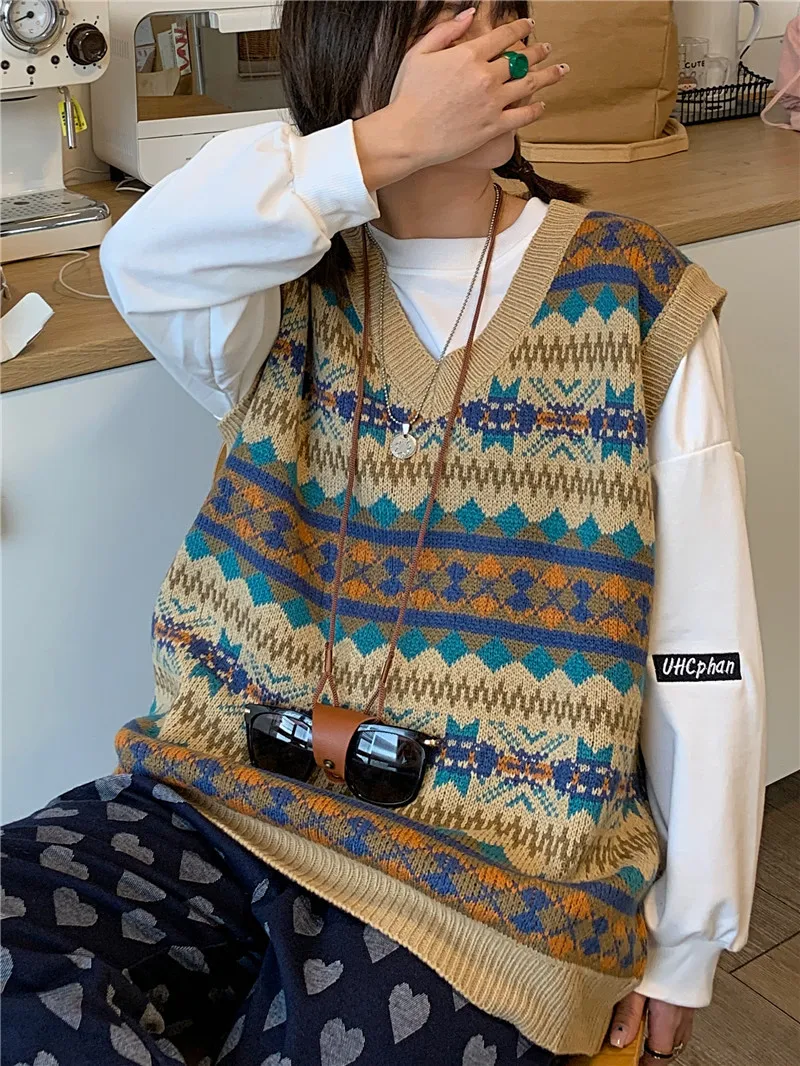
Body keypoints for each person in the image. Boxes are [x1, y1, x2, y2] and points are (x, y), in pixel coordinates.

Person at [1, 4, 766, 1065]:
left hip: (488, 881)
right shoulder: (269, 282)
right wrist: (388, 144)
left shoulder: (633, 292)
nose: (491, 46)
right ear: (344, 52)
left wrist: (687, 941)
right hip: (219, 801)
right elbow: (143, 255)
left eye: (501, 17)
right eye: (443, 26)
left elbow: (702, 649)